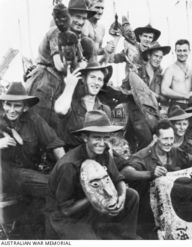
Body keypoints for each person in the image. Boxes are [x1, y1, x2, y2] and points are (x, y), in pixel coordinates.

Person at [47, 110, 139, 239]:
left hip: (93, 207)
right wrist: (94, 196)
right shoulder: (69, 165)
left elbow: (118, 179)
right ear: (85, 138)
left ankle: (126, 237)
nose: (102, 143)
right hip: (69, 218)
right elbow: (65, 210)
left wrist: (122, 197)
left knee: (132, 195)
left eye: (106, 137)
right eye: (96, 137)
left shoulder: (104, 152)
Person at [121, 119, 192, 238]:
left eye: (171, 138)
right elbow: (125, 172)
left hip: (172, 206)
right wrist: (150, 173)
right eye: (165, 139)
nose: (169, 142)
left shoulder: (174, 152)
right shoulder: (144, 155)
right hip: (147, 210)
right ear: (155, 138)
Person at [26, 0, 96, 129]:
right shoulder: (57, 32)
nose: (80, 22)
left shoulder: (78, 38)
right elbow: (59, 65)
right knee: (40, 125)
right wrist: (81, 66)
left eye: (84, 18)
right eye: (77, 17)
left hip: (61, 83)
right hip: (44, 82)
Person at [0, 82, 65, 199]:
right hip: (6, 174)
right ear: (3, 105)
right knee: (54, 187)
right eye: (8, 105)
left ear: (25, 107)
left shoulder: (34, 120)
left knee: (61, 184)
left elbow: (55, 144)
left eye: (17, 106)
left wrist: (66, 170)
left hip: (26, 172)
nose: (11, 110)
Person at [54, 61, 112, 150]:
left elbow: (106, 140)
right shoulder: (71, 105)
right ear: (84, 79)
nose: (96, 82)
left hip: (96, 155)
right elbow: (60, 110)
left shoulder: (105, 110)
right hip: (72, 157)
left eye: (100, 79)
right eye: (93, 77)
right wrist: (70, 85)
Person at [161, 39, 192, 109]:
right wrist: (185, 96)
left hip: (191, 106)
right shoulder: (170, 69)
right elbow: (164, 90)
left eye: (184, 50)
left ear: (189, 51)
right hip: (176, 106)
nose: (182, 54)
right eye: (179, 51)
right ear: (175, 51)